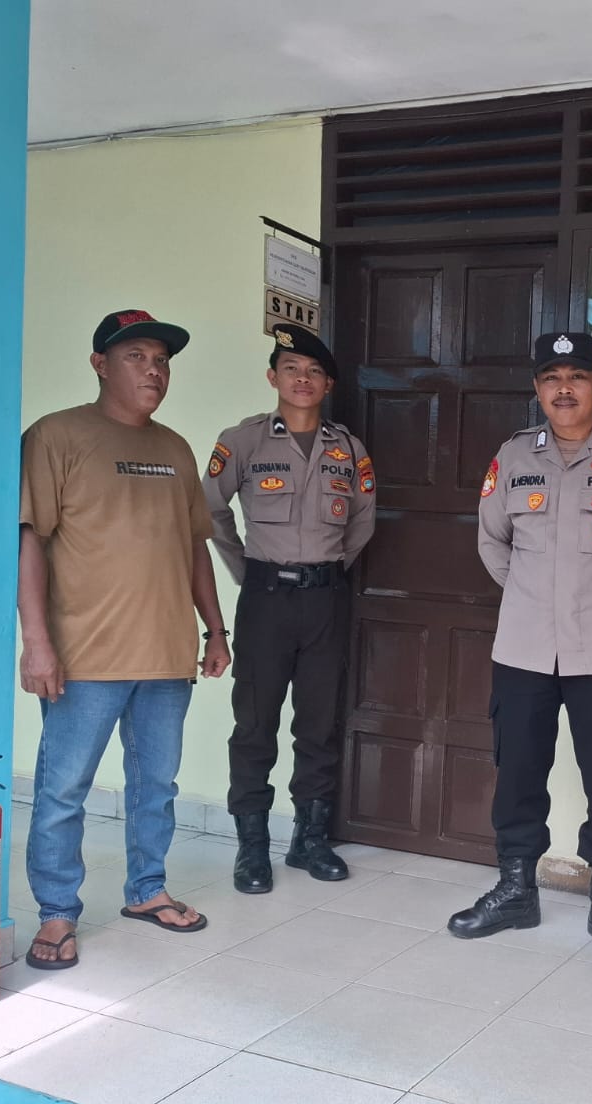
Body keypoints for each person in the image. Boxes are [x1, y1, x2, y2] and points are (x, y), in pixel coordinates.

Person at [447, 332, 592, 961]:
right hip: (524, 648)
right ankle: (516, 889)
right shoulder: (513, 455)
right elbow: (492, 541)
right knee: (518, 771)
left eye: (577, 376)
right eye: (552, 377)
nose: (564, 389)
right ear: (537, 389)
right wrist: (536, 601)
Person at [18, 309, 230, 970]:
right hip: (85, 656)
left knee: (155, 785)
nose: (154, 371)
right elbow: (29, 541)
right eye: (136, 356)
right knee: (63, 791)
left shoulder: (176, 448)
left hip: (166, 655)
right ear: (99, 365)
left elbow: (193, 547)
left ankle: (147, 890)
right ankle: (57, 913)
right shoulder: (56, 436)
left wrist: (215, 629)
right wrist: (37, 642)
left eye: (161, 360)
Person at [203, 324, 376, 893]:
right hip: (266, 600)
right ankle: (252, 847)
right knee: (255, 724)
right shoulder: (244, 441)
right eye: (292, 369)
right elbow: (209, 511)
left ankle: (310, 839)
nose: (303, 379)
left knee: (319, 723)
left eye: (314, 371)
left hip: (325, 599)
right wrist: (247, 569)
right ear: (272, 376)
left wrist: (327, 569)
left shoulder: (348, 449)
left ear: (328, 384)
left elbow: (362, 522)